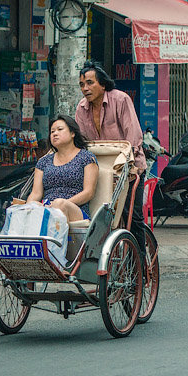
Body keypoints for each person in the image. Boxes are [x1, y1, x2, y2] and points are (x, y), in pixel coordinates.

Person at [75, 61, 147, 252]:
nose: (85, 88)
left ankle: (138, 261)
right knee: (98, 214)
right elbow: (81, 143)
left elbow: (133, 135)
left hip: (129, 167)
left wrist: (131, 163)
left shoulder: (121, 100)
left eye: (90, 83)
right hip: (100, 170)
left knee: (132, 216)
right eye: (82, 85)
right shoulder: (81, 108)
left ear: (103, 84)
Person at [26, 115, 98, 223]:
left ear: (72, 133)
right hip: (47, 208)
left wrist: (60, 205)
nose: (55, 134)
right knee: (30, 207)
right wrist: (27, 208)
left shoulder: (87, 158)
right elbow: (36, 193)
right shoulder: (43, 161)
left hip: (75, 209)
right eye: (52, 132)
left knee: (60, 204)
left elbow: (88, 192)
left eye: (60, 129)